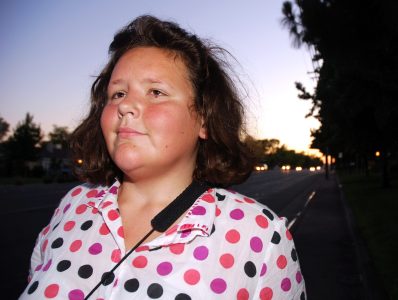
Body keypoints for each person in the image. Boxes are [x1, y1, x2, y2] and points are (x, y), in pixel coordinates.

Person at [20, 15, 306, 300]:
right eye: (117, 93)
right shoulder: (72, 205)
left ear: (204, 120)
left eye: (156, 92)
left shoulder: (261, 237)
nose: (126, 105)